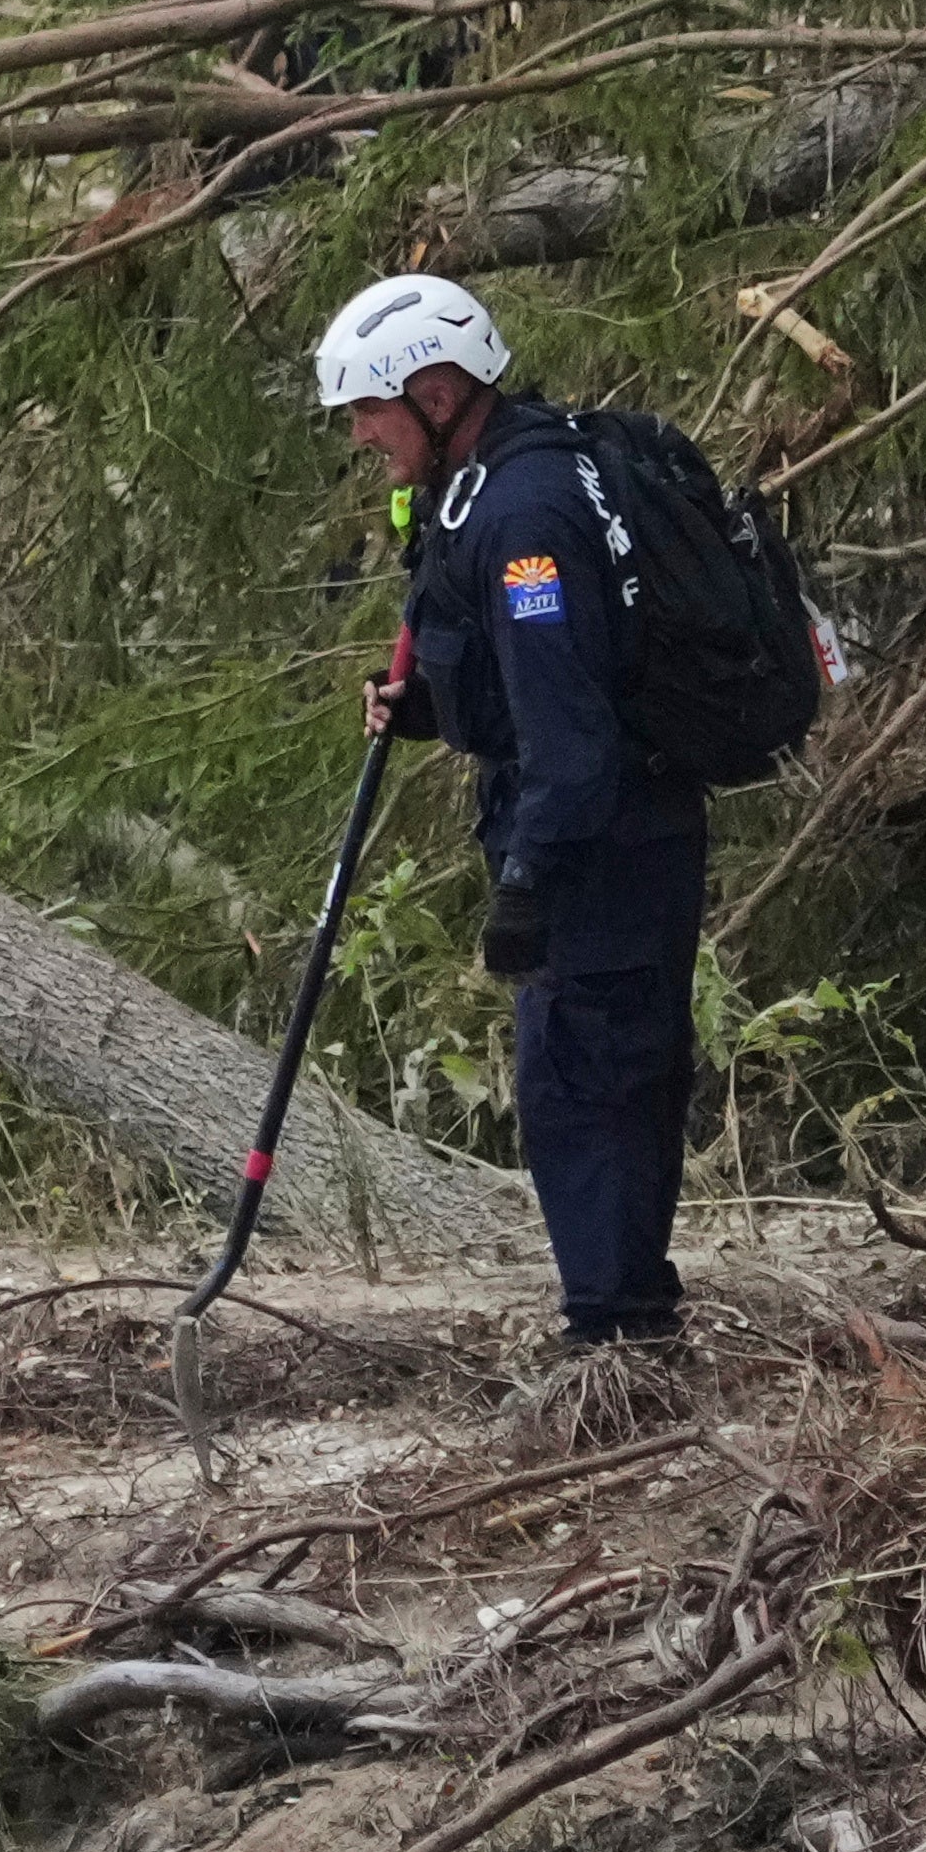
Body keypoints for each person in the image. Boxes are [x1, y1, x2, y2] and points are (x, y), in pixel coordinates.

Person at [313, 270, 698, 1361]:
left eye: (368, 409)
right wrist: (430, 701)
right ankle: (626, 1315)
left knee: (584, 1077)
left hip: (604, 836)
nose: (357, 435)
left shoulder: (526, 512)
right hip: (609, 819)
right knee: (605, 1066)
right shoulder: (493, 482)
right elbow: (535, 679)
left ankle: (615, 1340)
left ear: (434, 393)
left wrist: (528, 878)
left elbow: (570, 733)